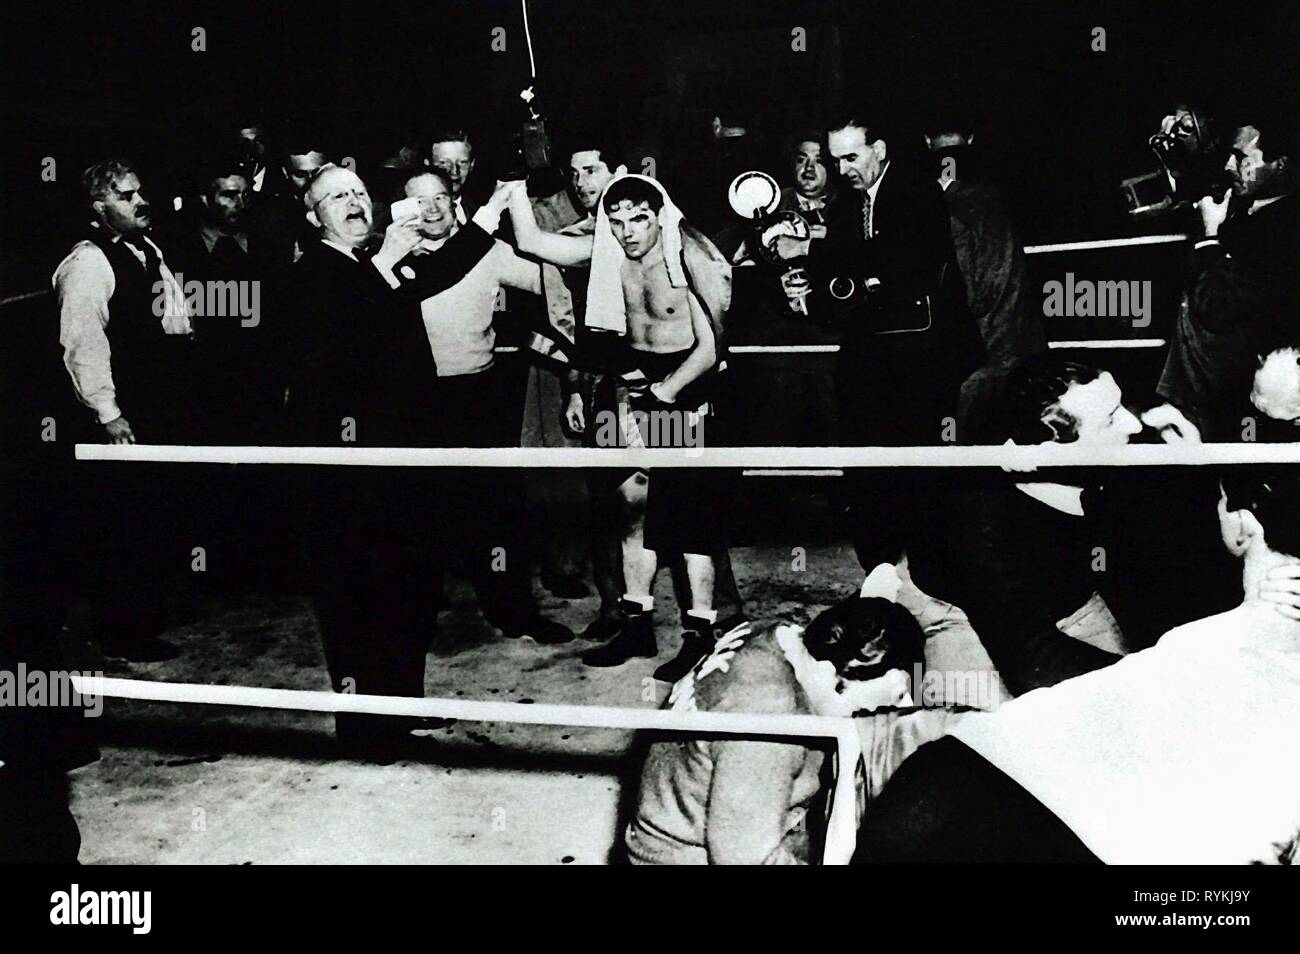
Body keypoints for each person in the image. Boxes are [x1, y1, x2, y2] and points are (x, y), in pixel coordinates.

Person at [857, 473, 1300, 865]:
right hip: (1024, 806)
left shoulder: (1202, 633)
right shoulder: (1210, 635)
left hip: (951, 790)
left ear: (1242, 523)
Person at [283, 163, 509, 754]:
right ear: (314, 219)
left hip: (403, 463)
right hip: (350, 473)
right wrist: (386, 264)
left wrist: (488, 214)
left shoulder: (377, 265)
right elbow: (338, 356)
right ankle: (366, 728)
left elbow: (442, 272)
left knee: (408, 584)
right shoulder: (315, 275)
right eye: (336, 197)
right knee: (357, 594)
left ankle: (402, 704)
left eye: (358, 192)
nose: (354, 202)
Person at [893, 355, 1241, 704]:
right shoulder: (978, 520)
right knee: (1004, 736)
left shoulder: (1108, 460)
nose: (1133, 426)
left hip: (1068, 596)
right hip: (964, 613)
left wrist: (1194, 471)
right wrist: (1155, 678)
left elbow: (1183, 573)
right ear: (1052, 450)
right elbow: (1031, 660)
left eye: (1120, 406)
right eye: (1110, 420)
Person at [507, 174, 736, 681]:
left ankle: (700, 636)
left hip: (684, 385)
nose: (628, 232)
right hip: (630, 382)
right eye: (617, 221)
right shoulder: (607, 252)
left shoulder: (689, 254)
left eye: (638, 220)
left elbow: (712, 348)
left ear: (659, 215)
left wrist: (664, 396)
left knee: (688, 523)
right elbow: (531, 243)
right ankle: (636, 625)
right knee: (629, 509)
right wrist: (515, 188)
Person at [775, 113, 985, 579]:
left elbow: (900, 263)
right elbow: (852, 277)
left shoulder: (916, 190)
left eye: (851, 157)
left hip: (924, 357)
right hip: (873, 354)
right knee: (867, 468)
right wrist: (813, 294)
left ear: (880, 150)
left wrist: (810, 248)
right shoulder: (851, 204)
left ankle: (935, 579)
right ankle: (882, 574)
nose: (843, 169)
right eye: (836, 160)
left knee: (921, 472)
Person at [625, 597, 956, 865]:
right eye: (895, 696)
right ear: (834, 675)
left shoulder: (776, 634)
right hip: (684, 855)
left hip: (683, 817)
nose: (902, 703)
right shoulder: (771, 723)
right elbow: (743, 857)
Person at [395, 168, 573, 645]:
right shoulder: (391, 259)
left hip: (480, 395)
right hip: (417, 404)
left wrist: (596, 249)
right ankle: (414, 619)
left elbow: (546, 279)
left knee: (500, 510)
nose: (431, 209)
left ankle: (514, 611)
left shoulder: (488, 251)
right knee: (421, 513)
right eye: (418, 201)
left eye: (440, 197)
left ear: (455, 200)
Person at [53, 159, 197, 661]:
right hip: (122, 418)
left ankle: (144, 616)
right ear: (99, 209)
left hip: (157, 410)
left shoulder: (148, 250)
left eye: (141, 192)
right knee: (123, 521)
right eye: (126, 195)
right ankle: (121, 631)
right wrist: (108, 413)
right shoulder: (88, 262)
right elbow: (82, 343)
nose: (141, 202)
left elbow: (175, 322)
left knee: (152, 514)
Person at [1158, 116, 1300, 440]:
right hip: (1200, 381)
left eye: (1243, 158)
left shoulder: (1286, 233)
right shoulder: (1244, 209)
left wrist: (1210, 236)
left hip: (1236, 391)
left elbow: (1217, 307)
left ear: (1281, 165)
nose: (1230, 166)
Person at [716, 132, 842, 445]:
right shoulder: (765, 202)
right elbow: (720, 256)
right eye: (802, 159)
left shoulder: (848, 206)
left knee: (835, 430)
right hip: (776, 345)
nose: (809, 169)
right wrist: (757, 243)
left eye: (820, 161)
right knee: (776, 432)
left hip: (831, 342)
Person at [923, 126, 1046, 431]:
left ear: (926, 141)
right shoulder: (994, 192)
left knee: (968, 444)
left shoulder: (952, 203)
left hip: (983, 352)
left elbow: (972, 290)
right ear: (971, 137)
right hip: (1020, 341)